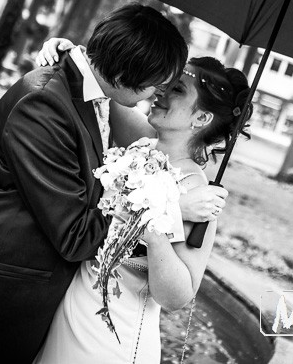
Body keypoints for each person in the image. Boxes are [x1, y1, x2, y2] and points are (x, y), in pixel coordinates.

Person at [0, 4, 228, 363]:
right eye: (156, 83)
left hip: (53, 320)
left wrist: (77, 54)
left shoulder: (94, 99)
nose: (157, 94)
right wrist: (170, 209)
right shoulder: (44, 104)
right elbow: (75, 236)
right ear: (124, 72)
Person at [34, 38, 253, 363]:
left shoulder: (196, 190)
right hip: (70, 310)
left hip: (112, 336)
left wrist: (158, 222)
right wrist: (75, 55)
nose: (161, 91)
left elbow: (176, 296)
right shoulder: (142, 145)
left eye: (177, 89)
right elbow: (104, 84)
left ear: (201, 119)